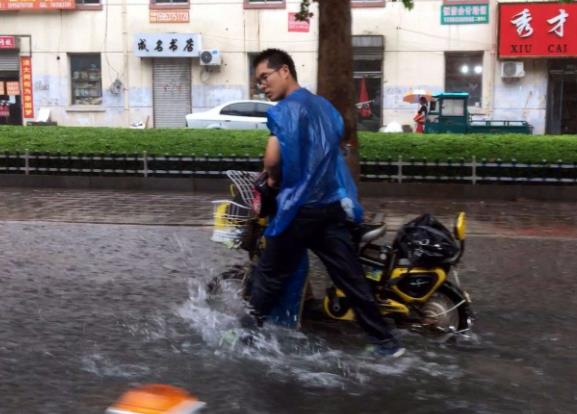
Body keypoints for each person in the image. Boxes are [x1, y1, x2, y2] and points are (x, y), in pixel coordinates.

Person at [243, 48, 404, 357]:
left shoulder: (281, 111)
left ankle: (245, 337)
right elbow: (333, 149)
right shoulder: (326, 108)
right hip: (330, 209)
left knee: (269, 276)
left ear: (285, 71)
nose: (262, 85)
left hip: (296, 211)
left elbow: (273, 159)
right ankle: (386, 343)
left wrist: (273, 178)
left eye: (265, 77)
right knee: (350, 277)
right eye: (259, 81)